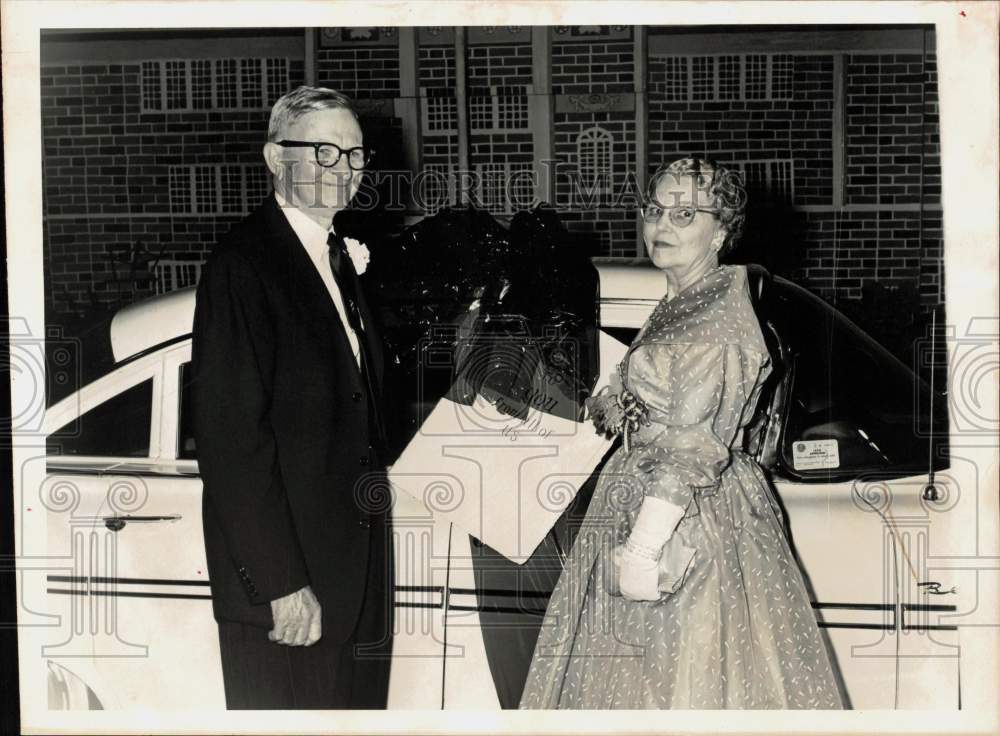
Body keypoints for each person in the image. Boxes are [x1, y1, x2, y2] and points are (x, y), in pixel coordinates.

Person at [519, 158, 843, 709]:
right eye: (655, 210)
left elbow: (691, 447)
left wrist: (645, 548)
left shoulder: (712, 319)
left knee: (676, 683)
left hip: (684, 516)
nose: (662, 226)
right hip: (653, 496)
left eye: (685, 214)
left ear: (720, 231)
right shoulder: (686, 300)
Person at [191, 85, 393, 710]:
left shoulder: (337, 258)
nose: (346, 169)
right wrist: (281, 584)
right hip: (293, 589)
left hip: (353, 579)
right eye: (325, 152)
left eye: (356, 154)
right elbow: (230, 440)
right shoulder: (244, 264)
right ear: (276, 159)